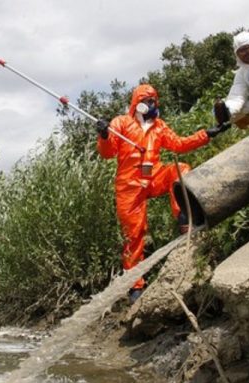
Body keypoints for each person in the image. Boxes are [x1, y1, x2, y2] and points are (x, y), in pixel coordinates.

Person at [96, 84, 229, 303]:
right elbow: (107, 153)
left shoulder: (159, 126)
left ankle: (185, 216)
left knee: (180, 170)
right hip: (129, 185)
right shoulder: (121, 123)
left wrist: (206, 134)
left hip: (154, 177)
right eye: (147, 100)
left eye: (154, 100)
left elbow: (179, 144)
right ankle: (135, 285)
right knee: (134, 235)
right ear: (136, 102)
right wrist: (103, 135)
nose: (152, 104)